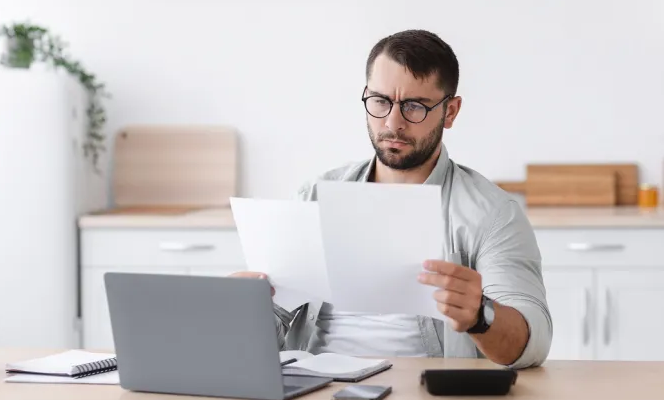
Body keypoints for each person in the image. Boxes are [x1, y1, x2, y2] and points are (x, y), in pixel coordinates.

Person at [231, 29, 551, 369]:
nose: (392, 122)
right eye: (381, 101)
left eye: (414, 106)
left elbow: (533, 342)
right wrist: (244, 310)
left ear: (451, 111)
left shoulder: (492, 215)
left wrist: (480, 314)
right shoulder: (314, 197)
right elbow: (271, 331)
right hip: (317, 391)